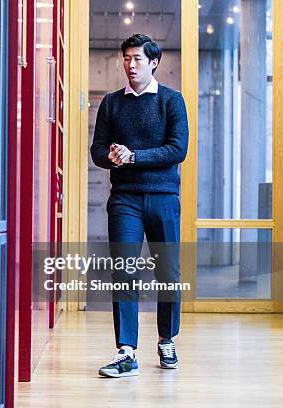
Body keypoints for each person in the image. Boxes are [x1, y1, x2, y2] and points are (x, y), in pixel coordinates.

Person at [90, 33, 189, 378]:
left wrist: (134, 156)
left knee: (168, 274)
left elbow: (177, 150)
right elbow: (97, 151)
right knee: (124, 272)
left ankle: (166, 339)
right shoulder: (112, 103)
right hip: (125, 200)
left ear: (153, 63)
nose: (130, 65)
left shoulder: (172, 102)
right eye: (126, 59)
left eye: (137, 59)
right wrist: (114, 157)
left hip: (163, 198)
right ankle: (126, 351)